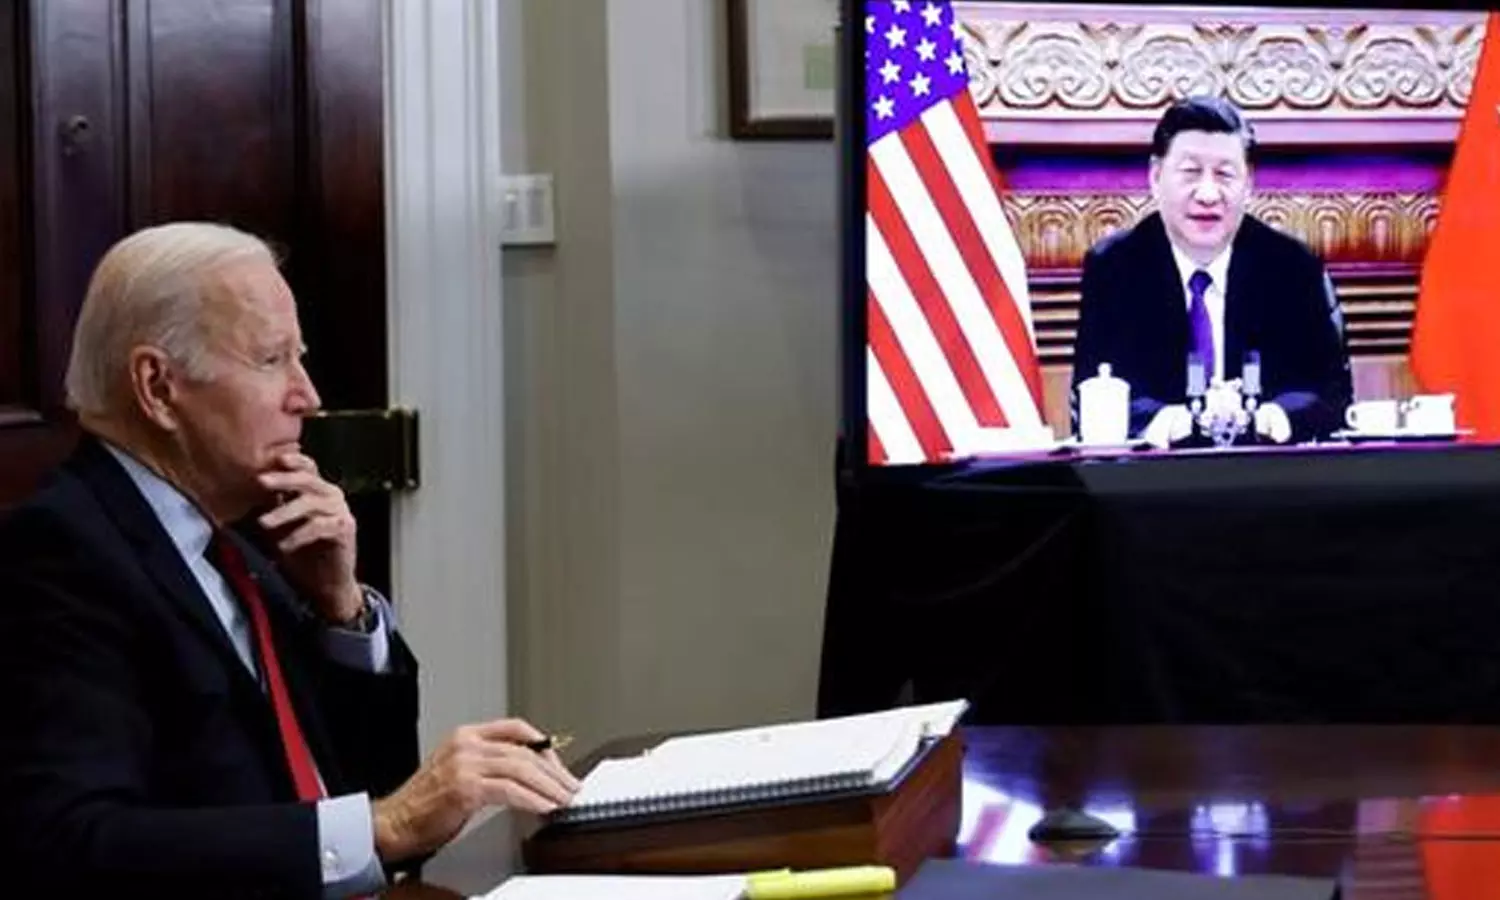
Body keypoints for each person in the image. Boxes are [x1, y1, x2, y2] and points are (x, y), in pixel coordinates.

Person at [0, 222, 581, 898]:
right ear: (157, 386)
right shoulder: (58, 555)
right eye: (272, 360)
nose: (307, 396)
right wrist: (388, 826)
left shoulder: (238, 550)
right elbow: (69, 843)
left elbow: (368, 793)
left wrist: (342, 610)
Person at [1070, 95, 1352, 445]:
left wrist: (1274, 418)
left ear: (1248, 183)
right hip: (1153, 472)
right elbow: (1094, 392)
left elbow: (1330, 392)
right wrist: (1170, 422)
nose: (1208, 194)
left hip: (1267, 469)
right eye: (1190, 172)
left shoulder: (1291, 266)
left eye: (1224, 174)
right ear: (1156, 176)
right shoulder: (1116, 267)